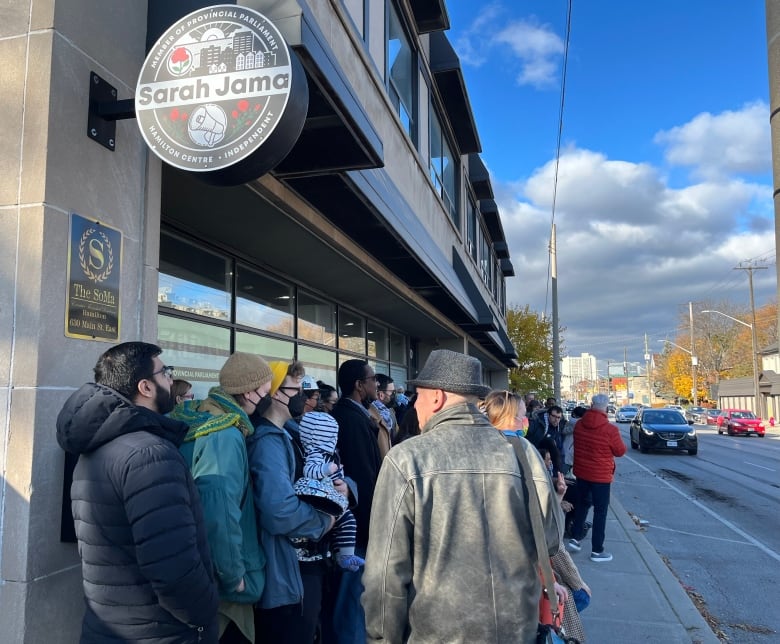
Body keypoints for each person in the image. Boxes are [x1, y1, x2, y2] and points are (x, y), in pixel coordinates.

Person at [362, 351, 562, 643]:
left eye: (419, 395)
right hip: (517, 630)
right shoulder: (523, 453)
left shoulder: (406, 459)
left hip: (438, 634)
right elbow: (552, 538)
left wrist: (381, 639)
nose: (415, 404)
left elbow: (385, 575)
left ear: (436, 398)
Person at [56, 342, 218, 643]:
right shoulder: (150, 455)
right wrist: (205, 615)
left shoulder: (97, 445)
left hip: (108, 628)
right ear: (145, 386)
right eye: (165, 372)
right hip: (160, 632)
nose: (170, 380)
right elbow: (173, 570)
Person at [171, 352, 272, 643]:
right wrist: (233, 575)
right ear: (248, 391)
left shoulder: (203, 416)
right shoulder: (223, 435)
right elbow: (220, 511)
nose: (268, 397)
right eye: (265, 391)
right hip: (226, 585)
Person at [248, 361, 337, 643]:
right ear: (275, 393)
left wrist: (345, 491)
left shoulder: (291, 432)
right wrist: (326, 521)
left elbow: (332, 466)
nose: (304, 395)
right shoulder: (267, 442)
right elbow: (279, 512)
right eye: (296, 389)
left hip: (307, 566)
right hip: (291, 571)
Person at [328, 359, 383, 644]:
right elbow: (364, 476)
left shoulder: (355, 415)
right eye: (372, 379)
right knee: (352, 598)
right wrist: (374, 524)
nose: (377, 384)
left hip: (354, 523)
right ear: (359, 386)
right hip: (358, 526)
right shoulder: (351, 419)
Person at [299, 411, 365, 571]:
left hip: (331, 497)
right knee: (348, 520)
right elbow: (311, 471)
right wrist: (327, 469)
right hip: (324, 500)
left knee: (343, 524)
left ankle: (342, 554)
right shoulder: (316, 454)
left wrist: (345, 485)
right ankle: (345, 555)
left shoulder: (326, 453)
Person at [567, 393, 627, 562]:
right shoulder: (610, 430)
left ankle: (576, 538)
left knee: (583, 504)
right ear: (606, 408)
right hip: (601, 476)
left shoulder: (579, 425)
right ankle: (597, 551)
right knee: (600, 512)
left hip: (582, 472)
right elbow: (620, 451)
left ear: (591, 405)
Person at [370, 373, 396, 458]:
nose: (393, 395)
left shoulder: (390, 412)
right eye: (392, 392)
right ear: (381, 394)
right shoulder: (369, 414)